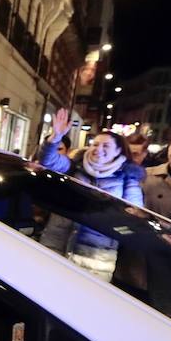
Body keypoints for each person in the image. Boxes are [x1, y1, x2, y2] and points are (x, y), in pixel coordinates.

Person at [37, 109, 144, 279]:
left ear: (119, 152)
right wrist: (55, 137)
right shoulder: (75, 166)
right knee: (43, 284)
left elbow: (133, 212)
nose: (98, 149)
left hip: (96, 253)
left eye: (106, 146)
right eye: (95, 144)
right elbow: (48, 161)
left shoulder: (127, 178)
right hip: (57, 239)